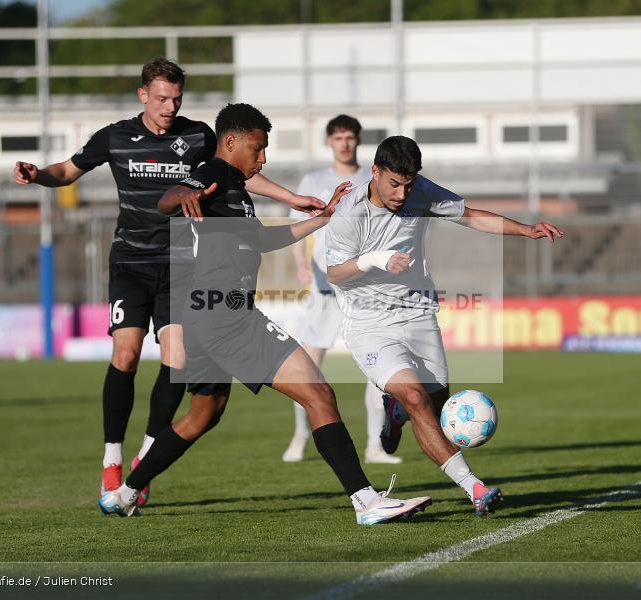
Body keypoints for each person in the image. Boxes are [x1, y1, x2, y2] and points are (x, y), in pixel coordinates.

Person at [98, 103, 431, 525]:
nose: (263, 159)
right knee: (319, 393)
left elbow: (258, 241)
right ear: (231, 142)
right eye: (258, 148)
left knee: (204, 414)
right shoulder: (215, 175)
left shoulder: (234, 188)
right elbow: (170, 199)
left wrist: (320, 220)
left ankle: (125, 492)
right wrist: (179, 194)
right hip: (227, 314)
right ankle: (365, 501)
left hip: (203, 314)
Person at [12, 58, 322, 507]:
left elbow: (237, 172)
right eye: (161, 98)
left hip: (182, 263)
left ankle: (147, 456)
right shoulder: (115, 137)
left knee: (177, 358)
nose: (169, 107)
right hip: (132, 262)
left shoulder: (198, 136)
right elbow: (66, 171)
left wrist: (293, 199)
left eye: (176, 99)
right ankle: (111, 459)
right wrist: (36, 174)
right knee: (127, 350)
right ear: (143, 95)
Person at [325, 136, 564, 517]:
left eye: (408, 184)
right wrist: (376, 259)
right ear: (375, 172)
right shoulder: (348, 215)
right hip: (370, 323)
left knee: (435, 411)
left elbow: (470, 215)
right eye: (393, 184)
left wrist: (525, 229)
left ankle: (398, 411)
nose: (402, 194)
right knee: (417, 397)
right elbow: (335, 273)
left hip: (419, 315)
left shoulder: (420, 192)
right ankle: (475, 488)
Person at [282, 114, 399, 465]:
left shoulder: (371, 177)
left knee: (378, 364)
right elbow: (298, 226)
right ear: (330, 142)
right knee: (306, 364)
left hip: (366, 287)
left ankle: (375, 446)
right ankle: (302, 433)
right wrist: (300, 263)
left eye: (350, 137)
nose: (344, 143)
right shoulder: (315, 180)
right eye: (338, 138)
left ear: (358, 140)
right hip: (325, 285)